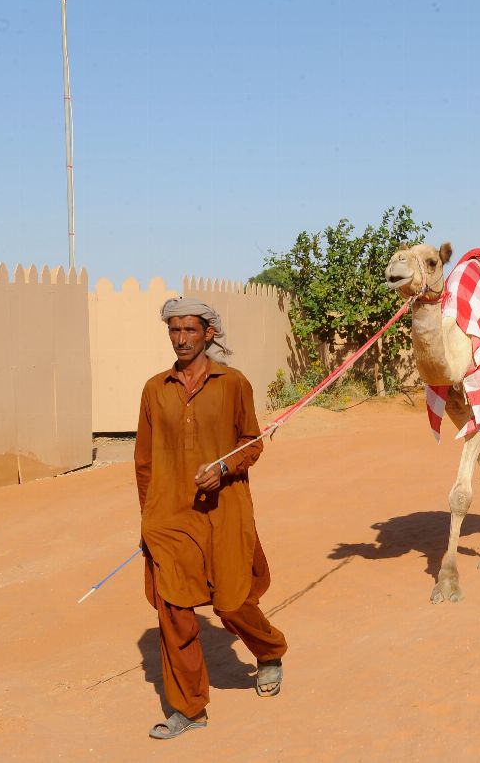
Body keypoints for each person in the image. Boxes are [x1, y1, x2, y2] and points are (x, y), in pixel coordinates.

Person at [136, 297, 287, 740]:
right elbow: (143, 461)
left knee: (232, 601)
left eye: (189, 330)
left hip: (224, 511)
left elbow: (251, 443)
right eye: (174, 330)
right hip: (167, 517)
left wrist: (224, 468)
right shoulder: (154, 388)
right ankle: (189, 708)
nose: (181, 339)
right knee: (174, 609)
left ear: (209, 334)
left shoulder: (233, 383)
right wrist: (147, 519)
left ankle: (270, 650)